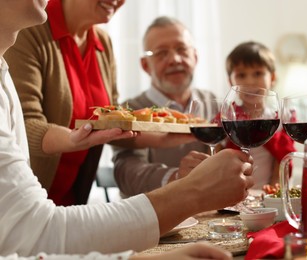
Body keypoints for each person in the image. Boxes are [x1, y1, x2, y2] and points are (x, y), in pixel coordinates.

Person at [0, 0, 254, 258]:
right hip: (31, 205)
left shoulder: (101, 43)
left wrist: (160, 138)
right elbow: (29, 125)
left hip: (71, 207)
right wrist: (191, 188)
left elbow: (113, 124)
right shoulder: (29, 30)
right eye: (162, 53)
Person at [3, 0, 141, 206]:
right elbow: (25, 123)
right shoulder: (28, 23)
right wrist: (74, 139)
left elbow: (111, 120)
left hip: (73, 201)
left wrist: (168, 133)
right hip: (29, 201)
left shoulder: (103, 42)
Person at [113, 16, 216, 197]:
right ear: (145, 65)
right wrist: (176, 177)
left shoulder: (214, 102)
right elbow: (127, 173)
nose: (175, 59)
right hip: (154, 221)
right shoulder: (129, 110)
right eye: (161, 53)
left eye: (182, 50)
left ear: (196, 56)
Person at [224, 41, 296, 190]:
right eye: (241, 75)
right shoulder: (227, 117)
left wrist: (272, 193)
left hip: (267, 193)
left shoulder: (281, 117)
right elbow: (218, 157)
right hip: (234, 194)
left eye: (258, 73)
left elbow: (282, 159)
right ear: (230, 81)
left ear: (273, 77)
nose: (250, 82)